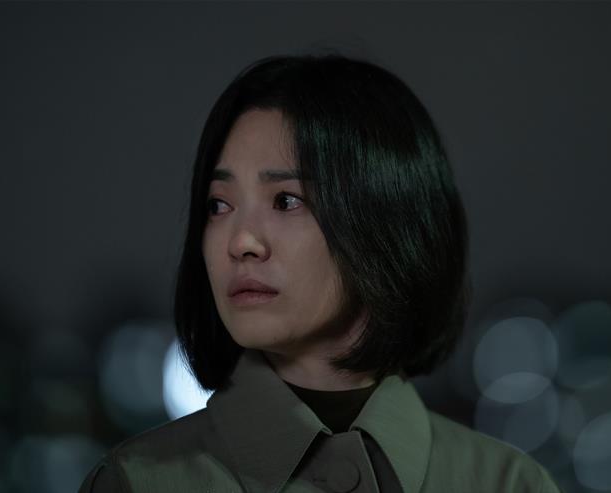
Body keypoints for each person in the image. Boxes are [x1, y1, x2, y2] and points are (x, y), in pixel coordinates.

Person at [79, 53, 563, 493]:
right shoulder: (139, 483)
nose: (241, 241)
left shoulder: (509, 485)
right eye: (219, 205)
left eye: (286, 200)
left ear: (388, 219)